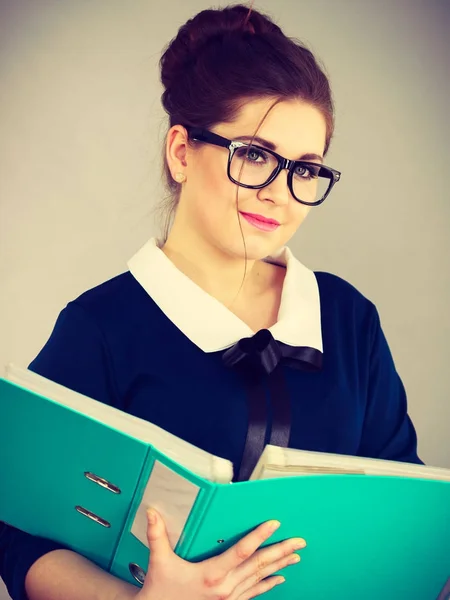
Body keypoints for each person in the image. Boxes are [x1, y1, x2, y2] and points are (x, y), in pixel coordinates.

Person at [0, 3, 422, 600]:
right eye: (252, 154)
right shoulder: (102, 327)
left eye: (305, 168)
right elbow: (22, 535)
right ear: (181, 152)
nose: (279, 193)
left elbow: (405, 506)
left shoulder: (347, 318)